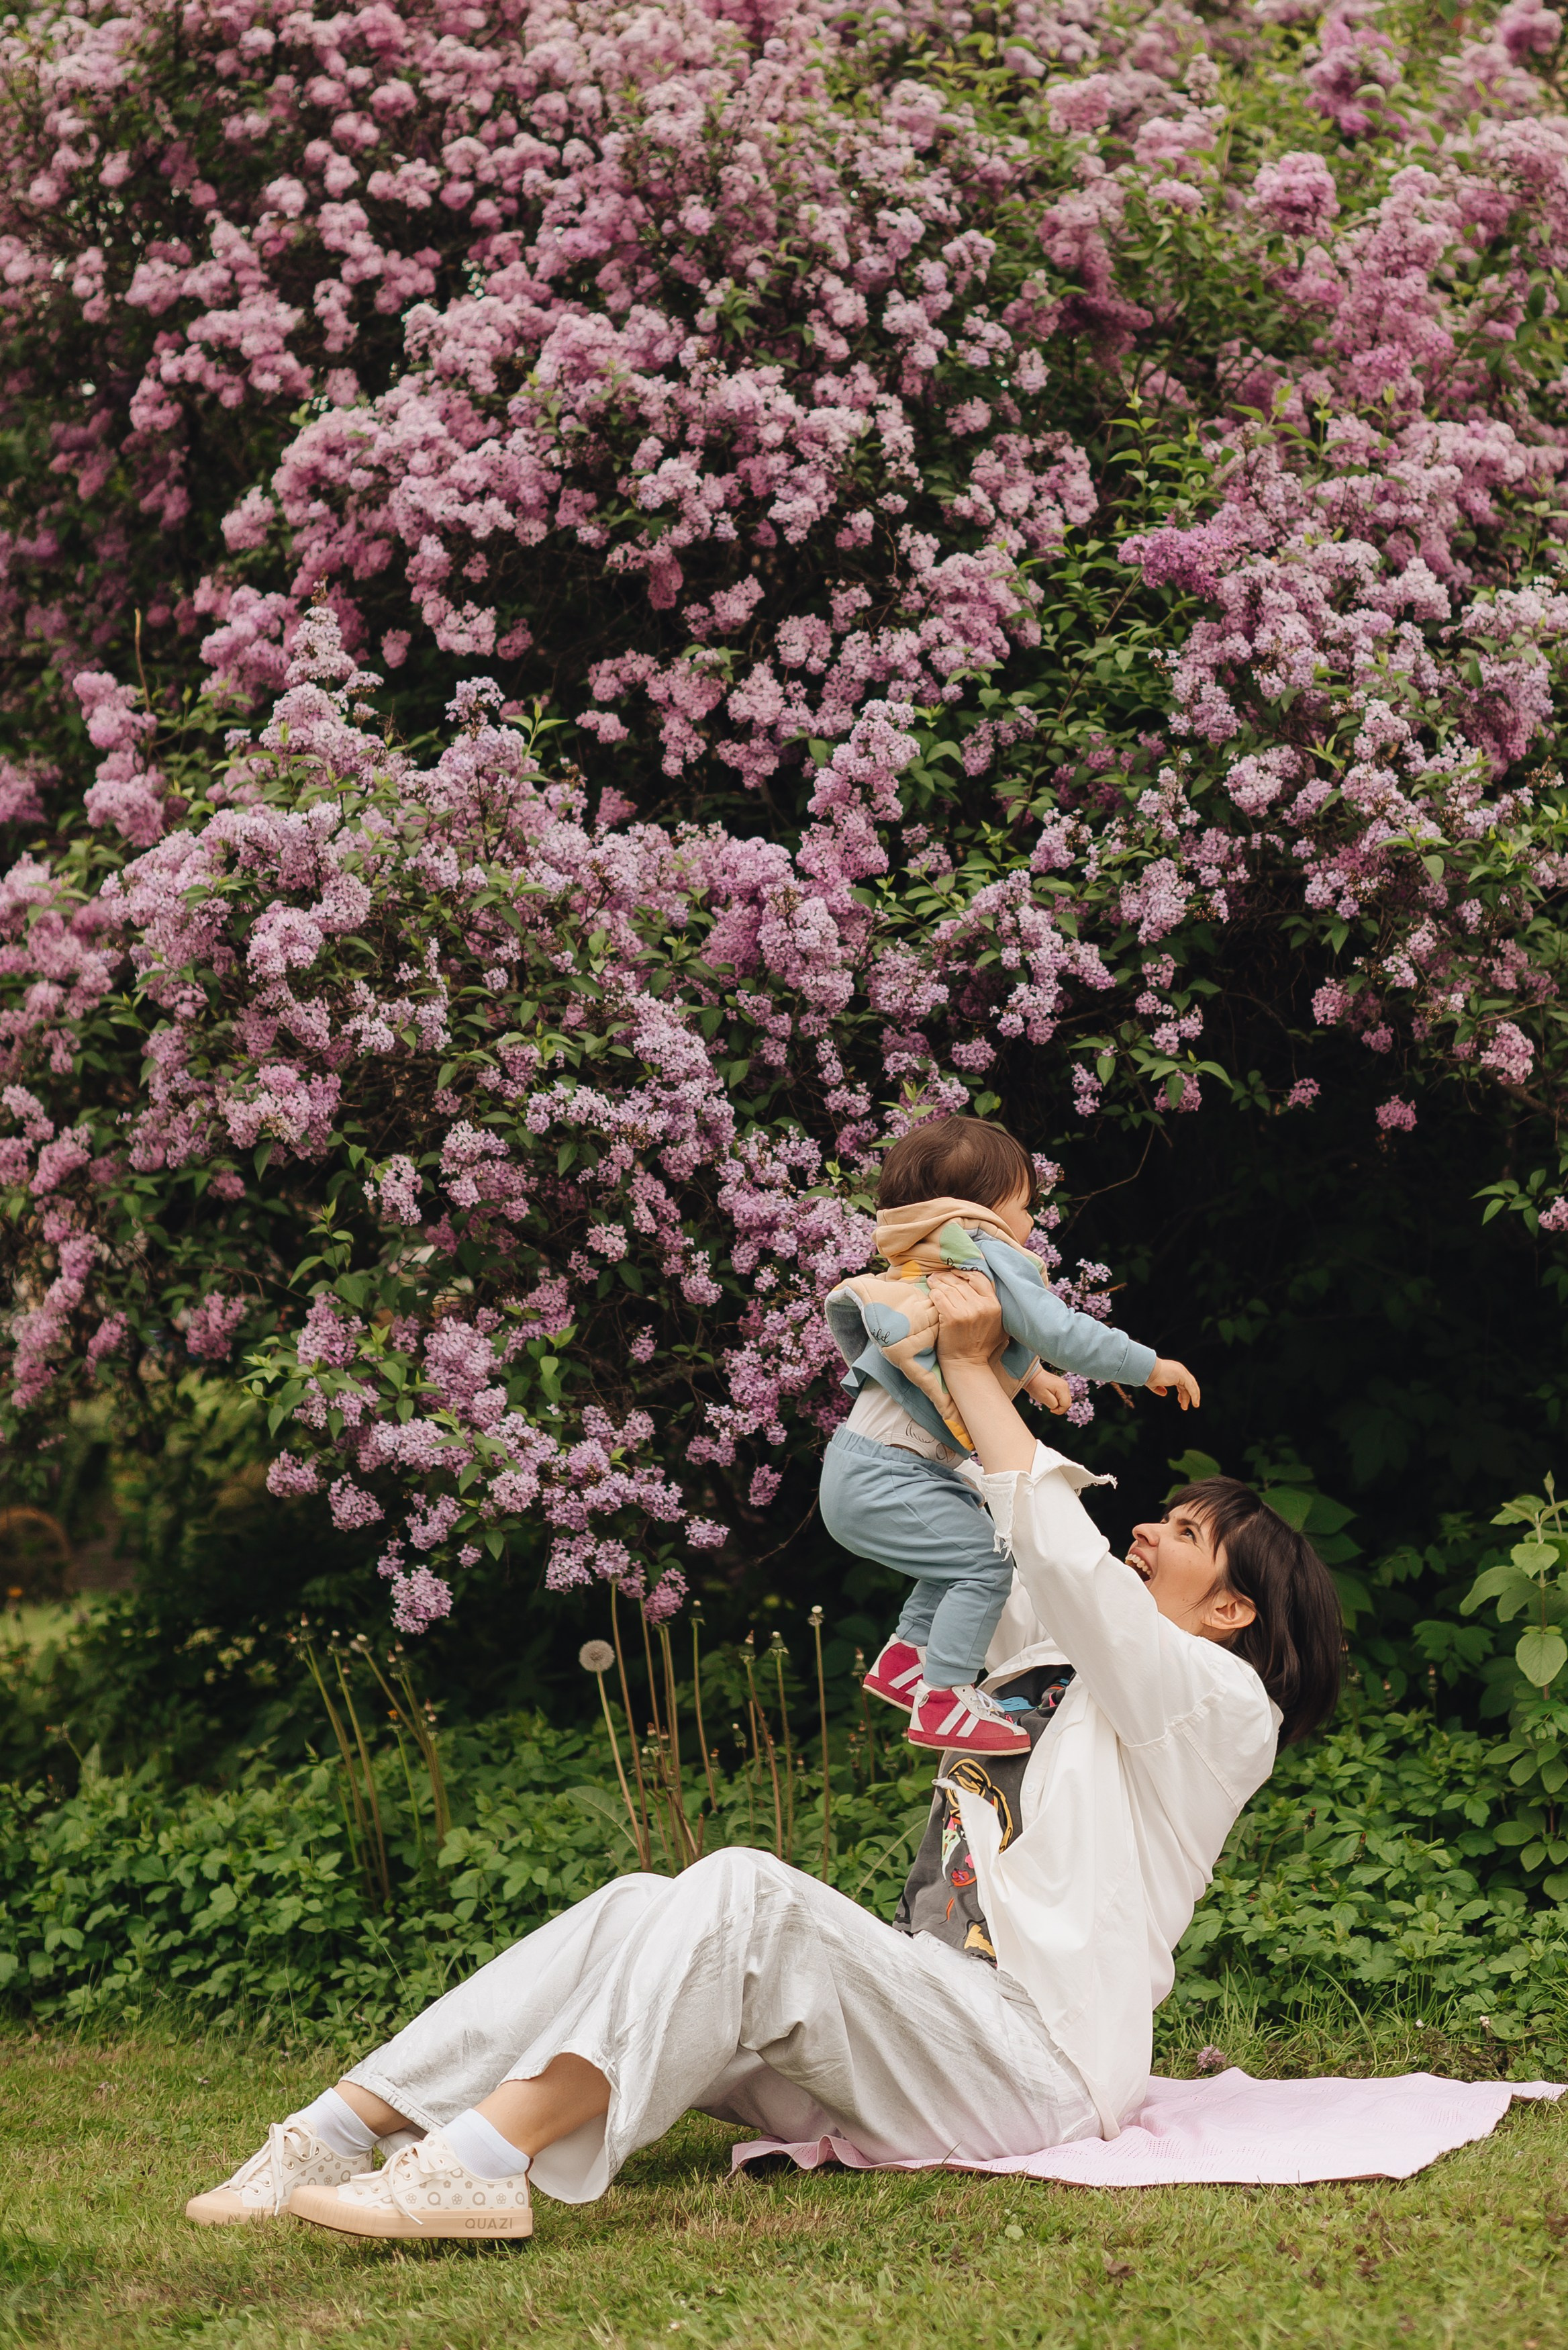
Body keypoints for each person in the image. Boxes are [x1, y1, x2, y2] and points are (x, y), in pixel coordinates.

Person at [185, 1273, 1340, 2243]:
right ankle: (326, 2134)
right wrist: (939, 1348)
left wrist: (987, 1373)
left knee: (744, 1889)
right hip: (923, 2029)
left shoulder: (1217, 1709)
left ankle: (483, 2163)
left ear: (1234, 1610)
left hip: (1033, 2067)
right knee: (642, 1903)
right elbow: (985, 1528)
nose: (1145, 1526)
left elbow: (1064, 1551)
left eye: (1182, 1533)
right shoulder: (1056, 1657)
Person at [822, 1115, 1199, 1756]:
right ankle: (943, 1698)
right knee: (987, 1562)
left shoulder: (930, 1253)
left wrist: (1033, 1379)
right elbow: (1054, 1325)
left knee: (958, 1551)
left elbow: (949, 1341)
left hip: (872, 1470)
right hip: (889, 1472)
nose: (1031, 1225)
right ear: (981, 1207)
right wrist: (1147, 1364)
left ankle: (906, 1660)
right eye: (1025, 1207)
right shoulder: (982, 1242)